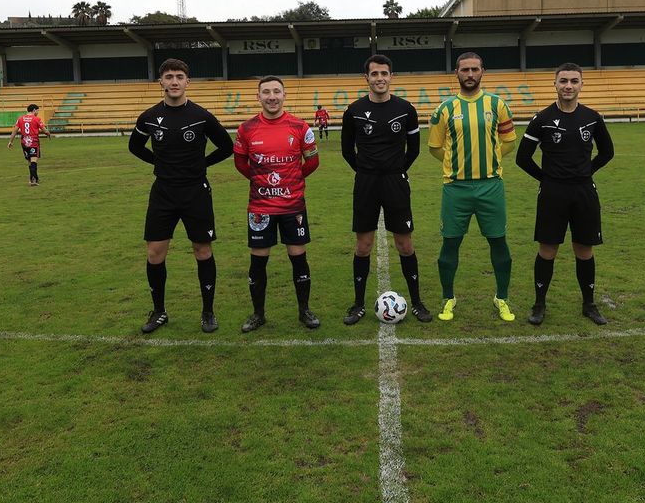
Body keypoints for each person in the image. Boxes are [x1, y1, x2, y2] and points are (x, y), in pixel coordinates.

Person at [129, 58, 233, 334]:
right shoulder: (149, 117)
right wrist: (157, 163)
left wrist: (202, 165)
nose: (174, 82)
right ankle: (159, 311)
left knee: (202, 250)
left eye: (179, 77)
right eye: (169, 77)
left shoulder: (201, 115)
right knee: (154, 253)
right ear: (160, 82)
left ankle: (208, 311)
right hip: (163, 192)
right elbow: (134, 147)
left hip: (195, 192)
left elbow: (227, 146)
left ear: (188, 82)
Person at [516, 63, 615, 325]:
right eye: (563, 81)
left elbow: (607, 152)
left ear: (582, 84)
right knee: (548, 249)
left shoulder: (593, 117)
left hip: (584, 192)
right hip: (553, 194)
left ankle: (589, 304)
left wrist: (586, 172)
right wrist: (547, 179)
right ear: (555, 84)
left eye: (573, 81)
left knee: (584, 249)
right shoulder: (542, 119)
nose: (568, 86)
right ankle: (539, 305)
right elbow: (522, 158)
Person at [340, 54, 432, 325]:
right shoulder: (354, 110)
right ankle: (358, 304)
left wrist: (397, 170)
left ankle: (416, 302)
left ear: (391, 76)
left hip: (395, 181)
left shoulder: (406, 109)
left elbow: (413, 149)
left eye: (384, 74)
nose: (379, 78)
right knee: (363, 245)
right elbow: (347, 150)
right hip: (366, 182)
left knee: (405, 244)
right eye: (374, 74)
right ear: (366, 78)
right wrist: (366, 170)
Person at [428, 51, 517, 322]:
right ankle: (448, 298)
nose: (469, 74)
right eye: (464, 69)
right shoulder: (444, 109)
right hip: (456, 188)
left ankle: (501, 297)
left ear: (482, 72)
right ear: (457, 73)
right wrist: (457, 164)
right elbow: (434, 147)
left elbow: (509, 141)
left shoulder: (497, 104)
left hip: (491, 186)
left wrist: (489, 161)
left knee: (498, 241)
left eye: (474, 69)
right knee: (450, 244)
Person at [233, 76, 320, 331]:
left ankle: (304, 311)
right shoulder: (246, 128)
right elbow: (240, 163)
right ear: (258, 97)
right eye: (266, 92)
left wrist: (292, 179)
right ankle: (258, 314)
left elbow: (312, 162)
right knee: (258, 260)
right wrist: (260, 180)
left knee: (298, 258)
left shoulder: (300, 126)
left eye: (276, 92)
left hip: (293, 206)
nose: (272, 96)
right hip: (260, 208)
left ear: (284, 95)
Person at [7, 103, 51, 186]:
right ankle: (34, 180)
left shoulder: (20, 119)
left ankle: (32, 179)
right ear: (34, 110)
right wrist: (48, 134)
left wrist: (10, 141)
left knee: (29, 161)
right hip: (33, 142)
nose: (37, 113)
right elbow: (45, 131)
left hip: (24, 142)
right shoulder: (36, 119)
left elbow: (15, 131)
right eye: (37, 111)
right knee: (34, 161)